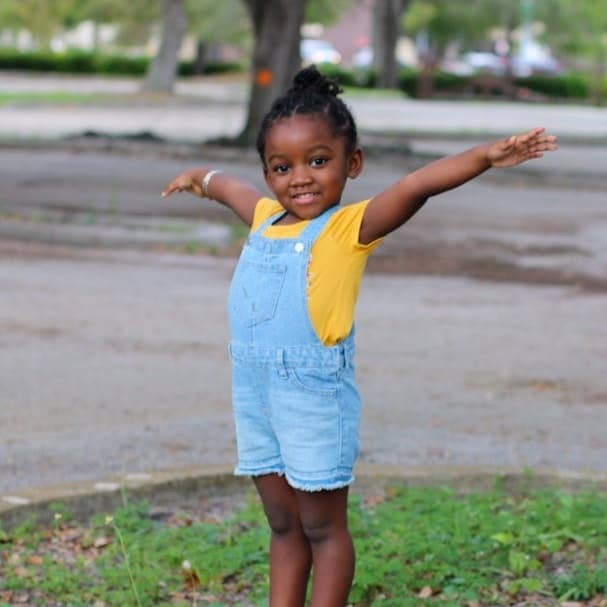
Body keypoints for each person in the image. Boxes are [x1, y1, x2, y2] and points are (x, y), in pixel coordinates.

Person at [161, 66, 557, 607]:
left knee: (323, 529)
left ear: (353, 163)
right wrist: (199, 179)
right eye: (282, 167)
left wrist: (484, 158)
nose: (299, 177)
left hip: (312, 397)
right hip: (255, 394)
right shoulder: (263, 216)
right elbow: (230, 186)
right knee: (282, 523)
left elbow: (418, 185)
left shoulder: (351, 228)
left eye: (318, 161)